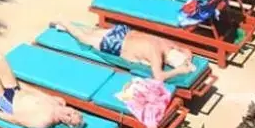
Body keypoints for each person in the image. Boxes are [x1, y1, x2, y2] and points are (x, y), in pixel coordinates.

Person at [0, 56, 86, 128]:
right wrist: (19, 85)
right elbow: (37, 93)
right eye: (73, 112)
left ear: (67, 123)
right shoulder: (59, 102)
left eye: (69, 118)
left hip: (6, 103)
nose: (69, 113)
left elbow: (17, 120)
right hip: (16, 90)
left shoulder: (44, 121)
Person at [50, 20, 197, 82]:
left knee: (92, 32)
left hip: (124, 32)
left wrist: (187, 59)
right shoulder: (156, 54)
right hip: (117, 43)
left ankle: (64, 26)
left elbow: (186, 50)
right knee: (83, 38)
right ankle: (64, 22)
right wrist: (179, 71)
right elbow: (158, 77)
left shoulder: (168, 44)